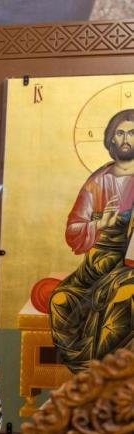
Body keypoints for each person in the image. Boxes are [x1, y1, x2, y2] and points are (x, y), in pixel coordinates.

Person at [50, 109, 134, 372]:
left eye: (132, 133)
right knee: (61, 300)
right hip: (94, 266)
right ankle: (84, 373)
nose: (125, 139)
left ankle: (103, 376)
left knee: (116, 301)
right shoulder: (98, 181)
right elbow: (73, 229)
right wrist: (99, 224)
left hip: (128, 266)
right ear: (111, 138)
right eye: (120, 133)